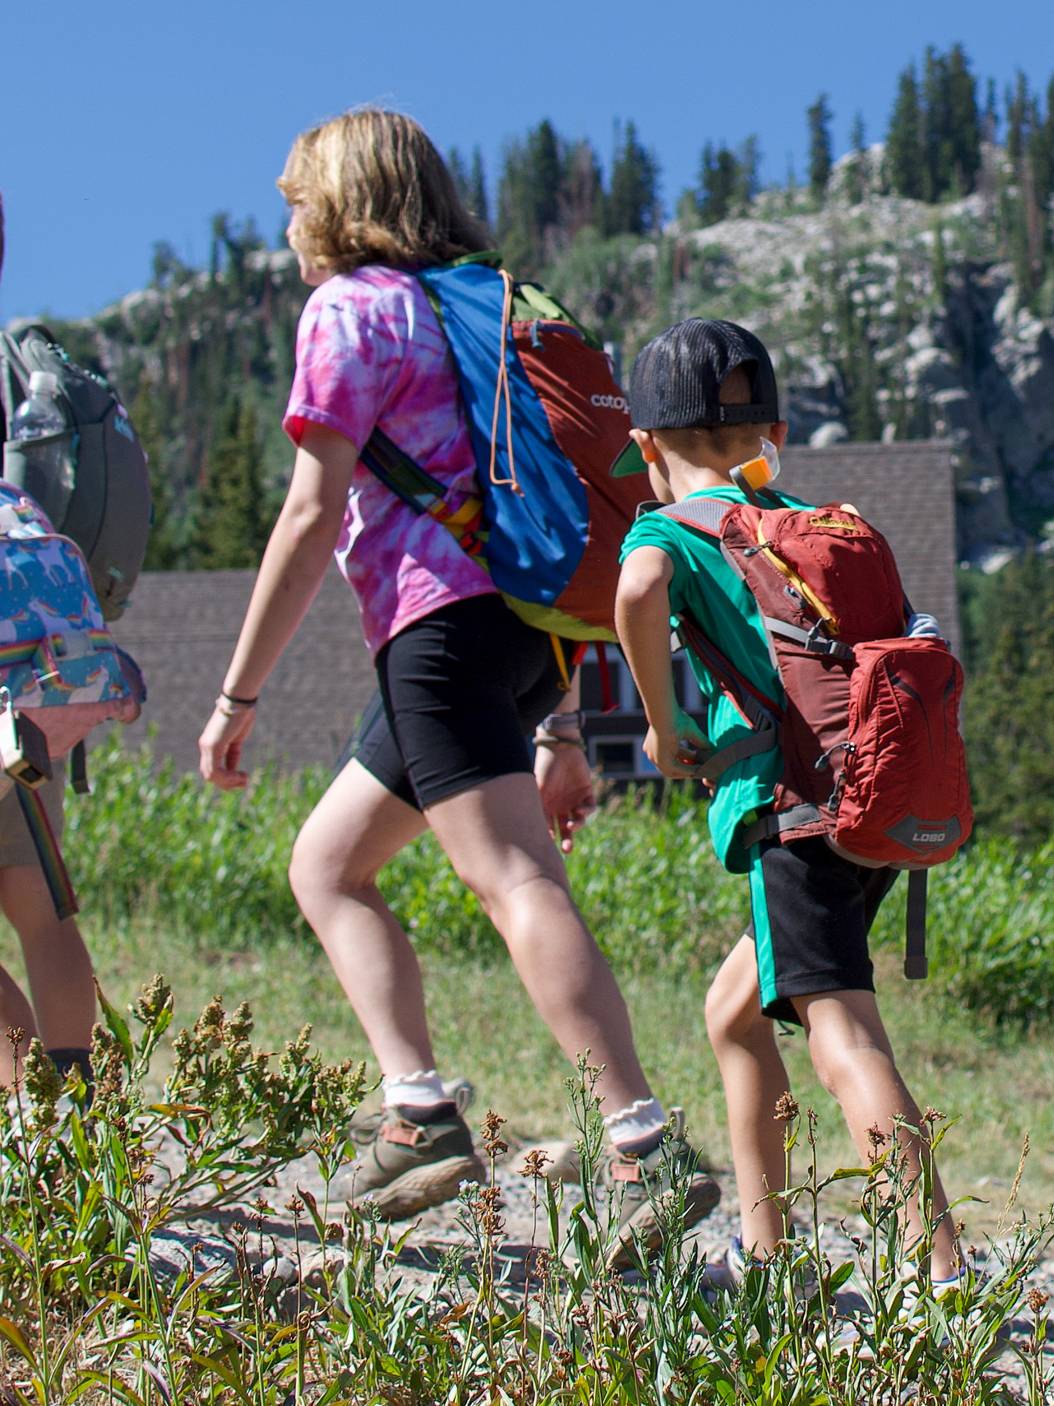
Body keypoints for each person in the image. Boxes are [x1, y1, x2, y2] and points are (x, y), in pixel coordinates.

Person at [197, 108, 718, 1254]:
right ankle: (420, 1112)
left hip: (435, 632)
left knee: (514, 875)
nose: (287, 223)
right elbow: (543, 516)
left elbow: (307, 510)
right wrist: (564, 722)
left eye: (297, 200)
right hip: (519, 635)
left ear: (338, 202)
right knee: (326, 864)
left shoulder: (353, 309)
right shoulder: (486, 306)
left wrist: (237, 697)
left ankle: (641, 1139)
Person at [613, 317, 961, 1285]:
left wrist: (655, 719)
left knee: (840, 1027)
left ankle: (939, 1269)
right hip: (874, 806)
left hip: (795, 813)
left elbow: (639, 588)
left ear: (647, 447)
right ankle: (767, 1250)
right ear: (774, 436)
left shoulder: (667, 529)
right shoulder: (814, 520)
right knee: (734, 1013)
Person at [0, 194, 95, 1091]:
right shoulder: (15, 363)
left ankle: (37, 1117)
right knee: (42, 910)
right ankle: (69, 1122)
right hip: (27, 692)